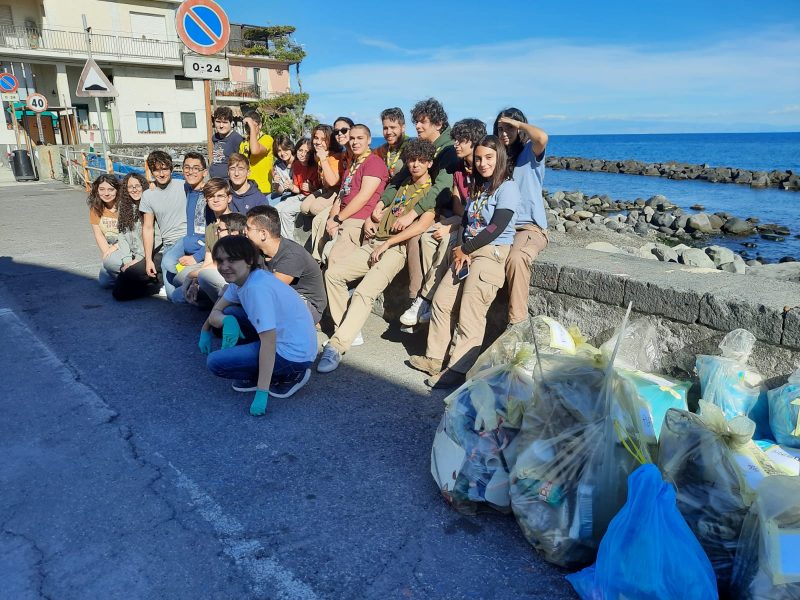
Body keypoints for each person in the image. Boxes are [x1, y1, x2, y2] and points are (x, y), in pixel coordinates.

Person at [317, 139, 438, 373]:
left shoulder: (432, 192)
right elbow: (386, 207)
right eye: (411, 160)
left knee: (364, 292)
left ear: (430, 163)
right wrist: (372, 222)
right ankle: (349, 331)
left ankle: (337, 345)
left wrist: (388, 244)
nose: (414, 165)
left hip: (395, 249)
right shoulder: (403, 183)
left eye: (420, 161)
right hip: (375, 241)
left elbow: (423, 224)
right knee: (333, 274)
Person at [409, 135, 521, 390]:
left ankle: (458, 369)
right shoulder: (479, 188)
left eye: (489, 158)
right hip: (467, 251)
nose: (482, 163)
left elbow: (497, 225)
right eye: (479, 158)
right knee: (441, 301)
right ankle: (434, 358)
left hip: (490, 252)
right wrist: (462, 247)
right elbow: (469, 222)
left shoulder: (508, 188)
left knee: (471, 311)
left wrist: (467, 248)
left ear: (500, 157)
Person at [198, 236, 318, 416]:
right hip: (289, 340)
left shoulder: (255, 289)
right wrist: (208, 329)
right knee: (231, 313)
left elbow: (268, 344)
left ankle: (290, 376)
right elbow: (217, 310)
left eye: (232, 260)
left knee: (215, 362)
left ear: (249, 261)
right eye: (221, 260)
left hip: (294, 356)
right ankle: (258, 370)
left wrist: (261, 394)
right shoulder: (241, 280)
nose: (224, 266)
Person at [399, 118, 486, 327]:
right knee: (429, 237)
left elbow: (481, 211)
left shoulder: (483, 170)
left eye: (462, 140)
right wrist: (453, 220)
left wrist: (453, 224)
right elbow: (458, 206)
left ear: (474, 142)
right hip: (460, 219)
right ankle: (431, 294)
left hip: (475, 227)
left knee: (447, 240)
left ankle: (426, 298)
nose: (456, 144)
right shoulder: (458, 170)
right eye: (455, 139)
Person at [387, 99, 459, 325]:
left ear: (437, 124)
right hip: (435, 208)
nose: (417, 126)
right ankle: (422, 299)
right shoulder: (429, 146)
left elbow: (442, 188)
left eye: (422, 122)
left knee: (420, 237)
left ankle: (421, 298)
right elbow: (397, 179)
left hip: (444, 210)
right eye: (416, 122)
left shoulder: (448, 149)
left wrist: (414, 212)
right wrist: (382, 203)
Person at [494, 108, 549, 327]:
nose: (504, 132)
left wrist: (516, 123)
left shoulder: (529, 153)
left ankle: (517, 325)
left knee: (517, 259)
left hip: (528, 228)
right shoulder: (498, 159)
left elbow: (542, 137)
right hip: (501, 226)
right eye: (500, 128)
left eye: (510, 127)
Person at [320, 124, 389, 267]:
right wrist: (333, 218)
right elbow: (341, 196)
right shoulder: (353, 164)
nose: (355, 142)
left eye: (360, 138)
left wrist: (338, 219)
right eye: (352, 138)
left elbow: (363, 197)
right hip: (344, 218)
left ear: (369, 140)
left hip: (357, 220)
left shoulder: (373, 163)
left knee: (335, 261)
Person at [244, 205, 327, 324]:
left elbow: (270, 290)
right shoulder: (259, 251)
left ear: (263, 234)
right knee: (232, 309)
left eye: (248, 228)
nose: (244, 231)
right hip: (279, 300)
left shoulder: (292, 255)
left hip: (307, 307)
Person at [108, 173, 165, 301]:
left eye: (137, 186)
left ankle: (159, 281)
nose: (134, 189)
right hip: (136, 255)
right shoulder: (125, 207)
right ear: (126, 190)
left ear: (143, 186)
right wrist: (127, 259)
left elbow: (157, 237)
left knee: (124, 284)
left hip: (155, 253)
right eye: (130, 187)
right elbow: (122, 234)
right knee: (118, 290)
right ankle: (150, 282)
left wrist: (138, 258)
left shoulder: (151, 204)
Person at [161, 152, 209, 302]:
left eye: (196, 168)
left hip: (204, 245)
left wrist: (197, 257)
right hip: (189, 240)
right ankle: (187, 285)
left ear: (205, 172)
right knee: (167, 261)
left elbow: (215, 235)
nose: (191, 171)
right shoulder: (188, 188)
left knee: (177, 295)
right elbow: (166, 183)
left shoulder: (210, 194)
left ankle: (197, 282)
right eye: (187, 167)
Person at [141, 151, 187, 298]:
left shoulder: (185, 186)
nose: (161, 174)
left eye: (165, 169)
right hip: (169, 246)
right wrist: (148, 260)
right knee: (173, 296)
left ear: (171, 169)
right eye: (156, 170)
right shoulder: (148, 195)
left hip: (189, 242)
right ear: (151, 171)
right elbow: (148, 228)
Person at [182, 178, 234, 304]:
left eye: (220, 196)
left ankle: (223, 309)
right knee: (179, 294)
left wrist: (192, 276)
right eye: (211, 196)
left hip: (231, 274)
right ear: (206, 199)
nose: (215, 200)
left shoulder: (234, 223)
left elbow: (227, 262)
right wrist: (195, 283)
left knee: (199, 277)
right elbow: (208, 261)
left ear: (229, 198)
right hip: (212, 271)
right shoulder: (210, 227)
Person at [274, 137, 319, 240]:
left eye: (307, 152)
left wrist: (311, 188)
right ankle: (278, 238)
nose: (303, 154)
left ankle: (288, 241)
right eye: (300, 150)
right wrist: (290, 186)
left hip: (312, 197)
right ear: (296, 150)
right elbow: (298, 189)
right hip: (300, 195)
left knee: (286, 211)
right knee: (276, 209)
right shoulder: (297, 164)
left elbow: (321, 190)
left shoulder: (315, 166)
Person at [87, 173, 120, 288]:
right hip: (110, 248)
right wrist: (107, 254)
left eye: (111, 189)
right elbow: (99, 235)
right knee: (105, 282)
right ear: (97, 190)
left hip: (126, 245)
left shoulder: (125, 207)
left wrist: (115, 247)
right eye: (102, 189)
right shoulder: (95, 208)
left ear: (117, 190)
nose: (106, 193)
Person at [239, 110, 273, 194]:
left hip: (263, 189)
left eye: (253, 126)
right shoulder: (243, 143)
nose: (249, 129)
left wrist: (251, 125)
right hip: (247, 188)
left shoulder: (267, 139)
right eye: (247, 126)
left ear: (260, 125)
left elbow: (254, 151)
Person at [373, 107, 408, 180]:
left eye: (393, 127)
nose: (388, 132)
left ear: (403, 128)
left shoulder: (411, 148)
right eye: (385, 128)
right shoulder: (380, 151)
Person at [209, 106, 244, 178]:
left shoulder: (236, 139)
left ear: (231, 123)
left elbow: (242, 162)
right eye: (218, 122)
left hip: (228, 183)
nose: (221, 126)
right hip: (214, 180)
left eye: (225, 122)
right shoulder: (215, 137)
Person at [269, 134, 294, 205]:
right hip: (283, 193)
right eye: (279, 151)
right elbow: (280, 191)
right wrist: (276, 183)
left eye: (285, 149)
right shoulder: (278, 164)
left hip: (295, 194)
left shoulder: (299, 162)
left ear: (290, 147)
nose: (282, 153)